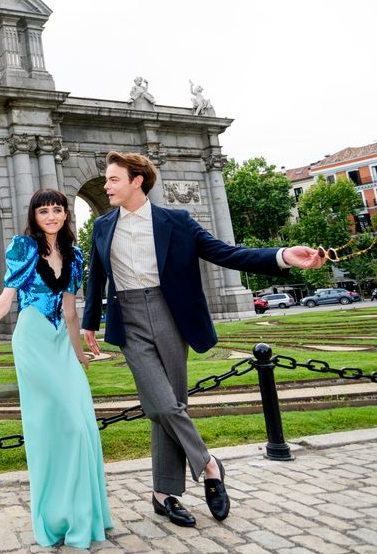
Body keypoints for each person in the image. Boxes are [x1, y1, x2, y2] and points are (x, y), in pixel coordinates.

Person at [81, 151, 324, 527]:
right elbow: (96, 275)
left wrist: (283, 256)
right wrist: (90, 321)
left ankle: (164, 494)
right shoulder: (102, 225)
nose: (106, 186)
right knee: (160, 405)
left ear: (137, 181)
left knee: (172, 403)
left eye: (113, 179)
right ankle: (209, 465)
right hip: (127, 318)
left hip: (170, 314)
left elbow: (227, 253)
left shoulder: (176, 221)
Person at [0, 188, 112, 548]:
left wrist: (78, 354)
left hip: (62, 346)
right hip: (32, 342)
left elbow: (69, 311)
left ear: (66, 214)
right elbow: (5, 301)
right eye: (43, 210)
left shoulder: (76, 255)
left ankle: (84, 514)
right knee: (61, 426)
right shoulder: (24, 248)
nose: (51, 216)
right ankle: (58, 518)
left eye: (57, 210)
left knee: (82, 427)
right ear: (34, 216)